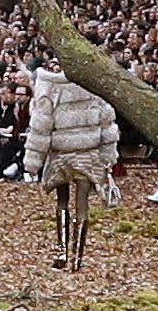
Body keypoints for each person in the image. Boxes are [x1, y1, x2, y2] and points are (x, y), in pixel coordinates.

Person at [22, 60, 118, 271]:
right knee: (82, 203)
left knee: (62, 201)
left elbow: (41, 128)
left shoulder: (49, 88)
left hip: (61, 156)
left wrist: (33, 161)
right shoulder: (93, 87)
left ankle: (62, 252)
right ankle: (77, 258)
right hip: (88, 154)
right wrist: (108, 155)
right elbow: (107, 122)